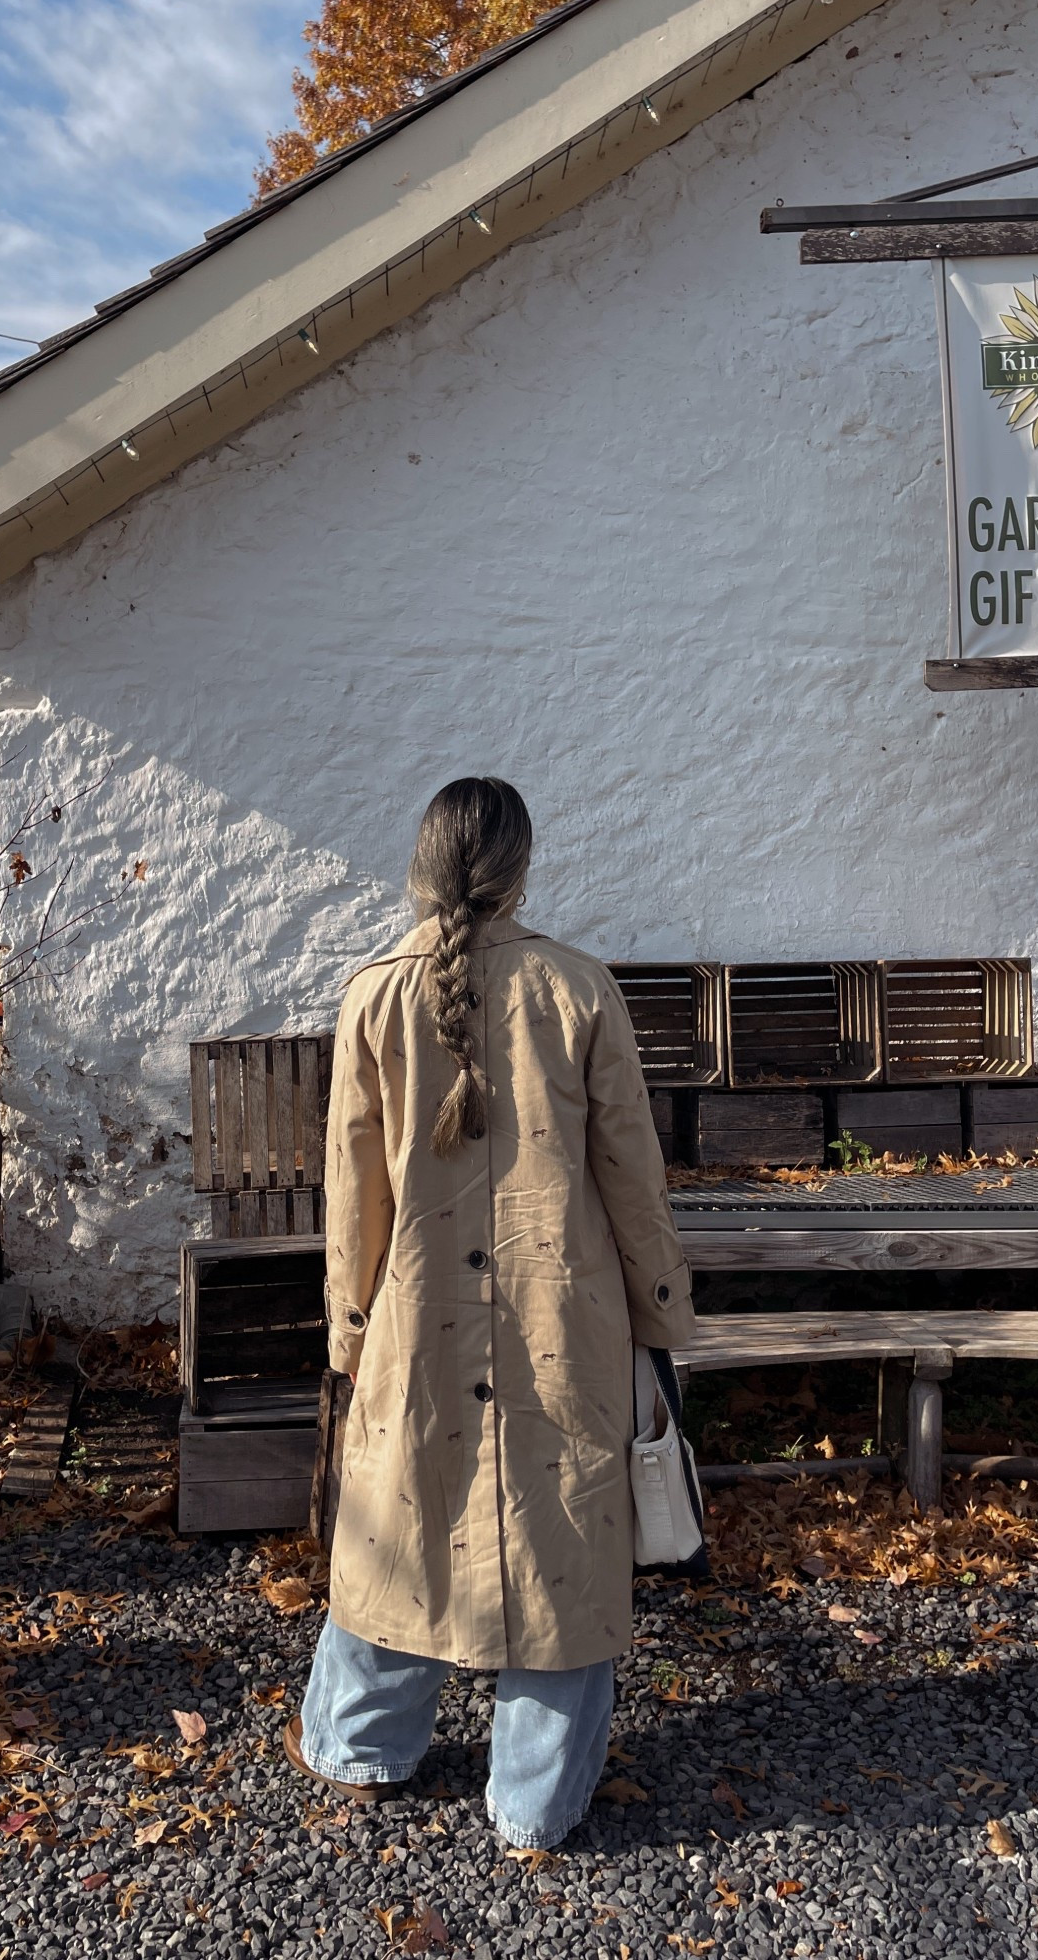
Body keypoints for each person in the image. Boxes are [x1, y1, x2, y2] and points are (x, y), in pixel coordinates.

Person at [284, 775, 697, 1850]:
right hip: (569, 1313)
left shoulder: (371, 992)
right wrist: (661, 1313)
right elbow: (631, 1174)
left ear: (422, 867)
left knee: (398, 1522)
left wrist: (348, 1330)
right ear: (517, 871)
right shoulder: (578, 987)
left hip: (413, 1316)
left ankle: (361, 1746)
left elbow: (350, 1188)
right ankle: (535, 1801)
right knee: (567, 1534)